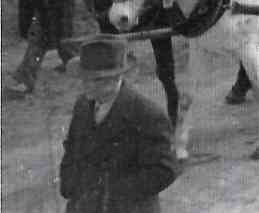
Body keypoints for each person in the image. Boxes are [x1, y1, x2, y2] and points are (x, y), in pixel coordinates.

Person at [59, 35, 178, 213]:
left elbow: (165, 170)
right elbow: (71, 149)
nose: (86, 86)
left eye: (95, 80)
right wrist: (70, 185)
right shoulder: (82, 105)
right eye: (84, 78)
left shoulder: (146, 114)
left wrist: (113, 191)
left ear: (116, 78)